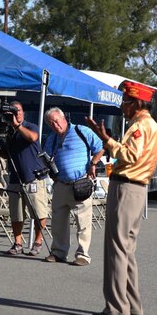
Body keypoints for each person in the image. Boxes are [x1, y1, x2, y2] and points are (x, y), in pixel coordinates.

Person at [84, 80, 157, 315]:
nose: (122, 107)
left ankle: (117, 308)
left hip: (126, 187)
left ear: (138, 103)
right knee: (127, 248)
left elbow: (130, 155)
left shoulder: (139, 125)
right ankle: (132, 304)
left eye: (126, 102)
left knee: (116, 248)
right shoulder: (153, 126)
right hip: (137, 189)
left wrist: (106, 139)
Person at [43, 107, 105, 266]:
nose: (55, 125)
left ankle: (83, 255)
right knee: (58, 222)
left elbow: (101, 147)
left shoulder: (81, 131)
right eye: (51, 124)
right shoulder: (51, 139)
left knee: (83, 222)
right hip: (61, 185)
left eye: (56, 121)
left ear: (64, 118)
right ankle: (58, 252)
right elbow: (47, 159)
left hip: (80, 184)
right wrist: (51, 172)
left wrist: (93, 163)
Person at [2, 100, 50, 257]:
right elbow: (4, 154)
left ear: (23, 112)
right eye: (13, 111)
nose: (17, 113)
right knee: (16, 213)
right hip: (15, 177)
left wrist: (17, 126)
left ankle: (37, 241)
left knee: (38, 211)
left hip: (33, 176)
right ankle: (17, 243)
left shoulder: (30, 126)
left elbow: (32, 138)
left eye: (19, 110)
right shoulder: (9, 130)